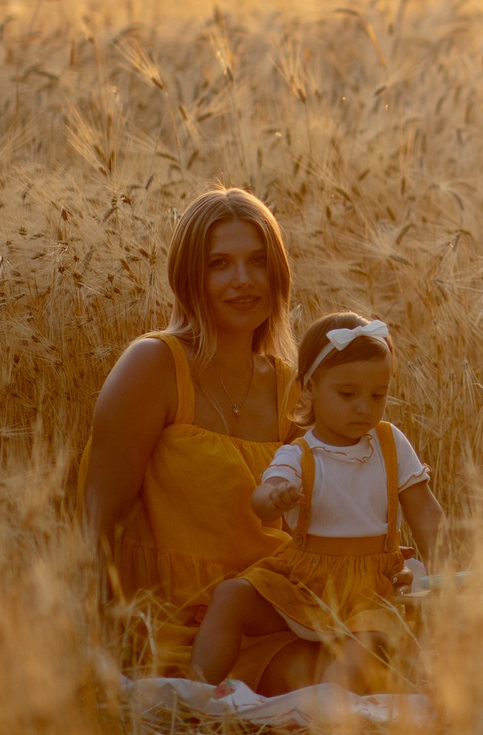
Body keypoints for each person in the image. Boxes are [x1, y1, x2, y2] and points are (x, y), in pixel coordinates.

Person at [82, 186, 326, 693]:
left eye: (258, 261)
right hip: (168, 627)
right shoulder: (153, 367)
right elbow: (98, 523)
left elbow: (314, 526)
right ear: (189, 277)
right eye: (220, 264)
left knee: (370, 663)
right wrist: (102, 652)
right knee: (317, 684)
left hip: (261, 615)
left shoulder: (291, 388)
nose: (243, 280)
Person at [189, 312, 446, 691]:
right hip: (305, 581)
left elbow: (425, 510)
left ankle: (329, 708)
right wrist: (274, 497)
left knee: (362, 652)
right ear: (310, 387)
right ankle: (195, 693)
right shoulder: (301, 454)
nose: (364, 407)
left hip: (371, 590)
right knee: (231, 596)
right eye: (348, 394)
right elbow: (262, 498)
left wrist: (442, 569)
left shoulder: (390, 443)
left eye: (378, 394)